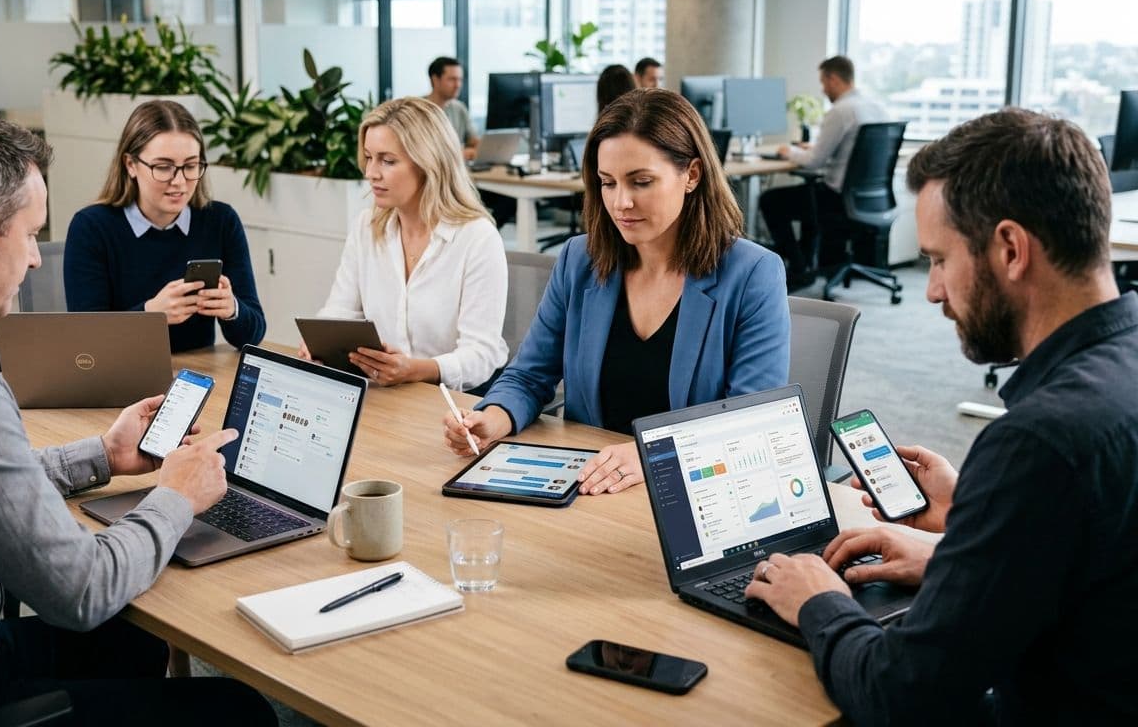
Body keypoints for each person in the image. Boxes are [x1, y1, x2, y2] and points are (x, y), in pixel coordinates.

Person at [0, 108, 276, 725]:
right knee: (238, 710)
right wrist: (174, 495)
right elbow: (81, 591)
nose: (36, 260)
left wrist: (103, 455)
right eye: (32, 234)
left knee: (136, 638)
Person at [744, 108, 1138, 725]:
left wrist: (818, 600)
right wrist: (966, 536)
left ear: (1009, 249)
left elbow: (901, 694)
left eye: (938, 259)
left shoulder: (1040, 441)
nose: (931, 291)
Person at [442, 89, 789, 495]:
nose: (621, 202)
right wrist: (495, 417)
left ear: (691, 175)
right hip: (590, 485)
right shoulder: (580, 259)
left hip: (696, 494)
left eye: (641, 182)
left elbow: (750, 422)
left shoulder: (753, 274)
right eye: (607, 183)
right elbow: (529, 374)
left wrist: (650, 454)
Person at [299, 97, 508, 393]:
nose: (371, 172)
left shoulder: (477, 238)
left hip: (453, 402)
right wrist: (319, 343)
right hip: (384, 395)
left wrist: (415, 370)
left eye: (388, 160)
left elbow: (481, 355)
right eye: (369, 157)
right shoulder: (366, 227)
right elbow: (340, 311)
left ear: (428, 163)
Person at [63, 100, 265, 353]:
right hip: (122, 378)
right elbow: (88, 342)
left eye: (191, 166)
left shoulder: (221, 221)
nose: (179, 181)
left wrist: (232, 309)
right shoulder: (92, 227)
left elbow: (252, 335)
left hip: (196, 378)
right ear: (131, 165)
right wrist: (150, 315)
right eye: (163, 167)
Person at [759, 55, 887, 290]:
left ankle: (798, 268)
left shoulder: (841, 111)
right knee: (805, 195)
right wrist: (812, 149)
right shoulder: (876, 107)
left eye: (823, 82)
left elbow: (814, 162)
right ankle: (805, 263)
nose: (823, 89)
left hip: (836, 200)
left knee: (770, 200)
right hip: (868, 197)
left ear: (834, 79)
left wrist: (789, 151)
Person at [425, 56, 479, 162]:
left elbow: (473, 140)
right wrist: (458, 153)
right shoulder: (418, 109)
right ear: (435, 80)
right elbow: (421, 151)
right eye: (452, 79)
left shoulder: (459, 108)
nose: (458, 85)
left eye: (460, 80)